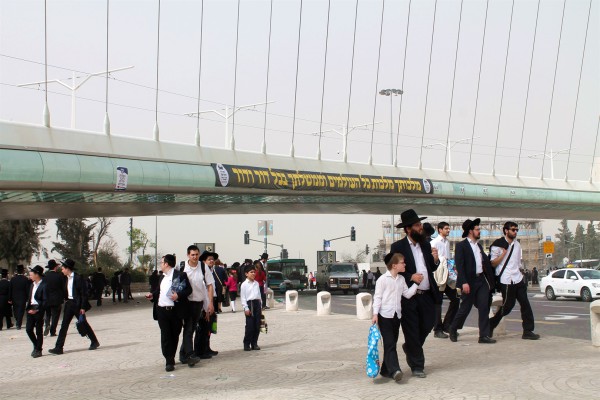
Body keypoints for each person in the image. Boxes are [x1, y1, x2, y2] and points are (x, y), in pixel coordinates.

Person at [390, 209, 441, 378]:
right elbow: (394, 270)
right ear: (408, 229)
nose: (421, 228)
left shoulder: (426, 244)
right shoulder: (398, 247)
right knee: (411, 330)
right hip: (409, 296)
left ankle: (411, 348)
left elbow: (432, 267)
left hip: (427, 293)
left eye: (420, 224)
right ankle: (417, 365)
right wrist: (410, 275)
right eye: (417, 225)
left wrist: (435, 259)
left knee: (427, 325)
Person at [372, 253, 421, 382]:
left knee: (391, 343)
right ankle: (395, 370)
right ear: (394, 265)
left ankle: (385, 370)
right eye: (402, 262)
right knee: (389, 344)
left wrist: (416, 284)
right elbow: (377, 297)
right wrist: (375, 314)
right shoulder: (382, 280)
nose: (404, 264)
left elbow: (408, 294)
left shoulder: (401, 279)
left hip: (396, 316)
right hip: (384, 316)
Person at [488, 221, 540, 340]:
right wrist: (503, 254)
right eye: (513, 229)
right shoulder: (498, 244)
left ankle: (528, 331)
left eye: (517, 230)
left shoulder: (517, 244)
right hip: (506, 279)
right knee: (507, 306)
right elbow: (493, 263)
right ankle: (491, 324)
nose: (515, 232)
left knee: (525, 304)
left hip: (518, 278)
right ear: (506, 231)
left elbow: (517, 262)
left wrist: (521, 273)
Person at [449, 218, 496, 344]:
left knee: (484, 307)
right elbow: (459, 265)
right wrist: (464, 282)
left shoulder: (479, 246)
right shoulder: (461, 246)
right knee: (465, 308)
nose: (479, 231)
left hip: (481, 280)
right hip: (468, 281)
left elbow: (485, 263)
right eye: (477, 229)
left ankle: (483, 336)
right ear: (471, 231)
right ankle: (453, 329)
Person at [147, 254, 192, 372]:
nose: (161, 265)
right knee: (165, 335)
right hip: (161, 310)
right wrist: (152, 295)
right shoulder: (161, 277)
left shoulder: (180, 275)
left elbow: (188, 290)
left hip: (175, 311)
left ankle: (171, 355)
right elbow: (159, 291)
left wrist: (178, 295)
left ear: (166, 264)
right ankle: (169, 360)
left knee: (174, 335)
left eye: (162, 262)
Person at [49, 258, 100, 355]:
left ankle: (94, 341)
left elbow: (84, 294)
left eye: (63, 268)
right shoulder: (64, 278)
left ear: (68, 268)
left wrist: (83, 307)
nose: (62, 270)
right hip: (69, 303)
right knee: (64, 326)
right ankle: (58, 347)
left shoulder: (78, 278)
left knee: (83, 323)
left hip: (78, 304)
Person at [178, 245, 212, 367]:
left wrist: (209, 304)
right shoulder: (182, 267)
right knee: (188, 328)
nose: (195, 257)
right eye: (192, 254)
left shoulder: (203, 267)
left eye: (197, 254)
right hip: (185, 303)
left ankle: (183, 354)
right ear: (188, 255)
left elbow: (209, 285)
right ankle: (190, 355)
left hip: (198, 303)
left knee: (191, 329)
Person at [431, 221, 459, 339]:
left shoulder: (447, 242)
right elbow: (433, 260)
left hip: (448, 274)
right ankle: (437, 329)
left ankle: (447, 325)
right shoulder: (434, 242)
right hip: (438, 275)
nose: (448, 230)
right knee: (438, 302)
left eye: (449, 228)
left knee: (455, 300)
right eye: (446, 228)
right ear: (440, 230)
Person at [196, 250, 217, 359]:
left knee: (210, 327)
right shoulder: (202, 272)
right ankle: (201, 350)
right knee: (203, 327)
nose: (211, 261)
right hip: (205, 303)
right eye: (209, 259)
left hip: (212, 301)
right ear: (204, 261)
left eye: (213, 259)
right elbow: (205, 290)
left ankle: (207, 347)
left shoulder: (213, 271)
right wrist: (208, 305)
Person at [25, 265, 47, 358]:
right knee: (28, 329)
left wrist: (37, 310)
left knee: (39, 331)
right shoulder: (31, 285)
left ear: (37, 274)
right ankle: (36, 345)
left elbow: (45, 300)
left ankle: (38, 349)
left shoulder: (44, 285)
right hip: (30, 309)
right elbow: (29, 298)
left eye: (31, 274)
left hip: (39, 309)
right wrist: (29, 309)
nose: (30, 276)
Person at [240, 263, 262, 351]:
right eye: (251, 272)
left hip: (257, 304)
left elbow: (259, 296)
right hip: (250, 305)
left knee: (257, 325)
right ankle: (246, 344)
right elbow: (243, 297)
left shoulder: (256, 283)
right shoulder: (244, 285)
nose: (253, 274)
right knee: (250, 326)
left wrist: (260, 306)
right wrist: (246, 308)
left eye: (254, 272)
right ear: (246, 274)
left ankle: (254, 343)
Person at [43, 260, 64, 337]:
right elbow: (63, 287)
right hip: (57, 298)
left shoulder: (45, 277)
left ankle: (47, 324)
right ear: (55, 267)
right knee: (55, 315)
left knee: (48, 314)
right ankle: (52, 331)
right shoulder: (59, 276)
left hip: (47, 298)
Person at [9, 264, 30, 330]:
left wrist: (10, 298)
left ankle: (18, 321)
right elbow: (27, 289)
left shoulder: (13, 279)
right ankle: (18, 323)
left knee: (15, 310)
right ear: (23, 271)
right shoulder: (25, 279)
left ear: (17, 271)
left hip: (14, 297)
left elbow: (10, 289)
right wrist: (28, 298)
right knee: (21, 311)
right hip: (22, 297)